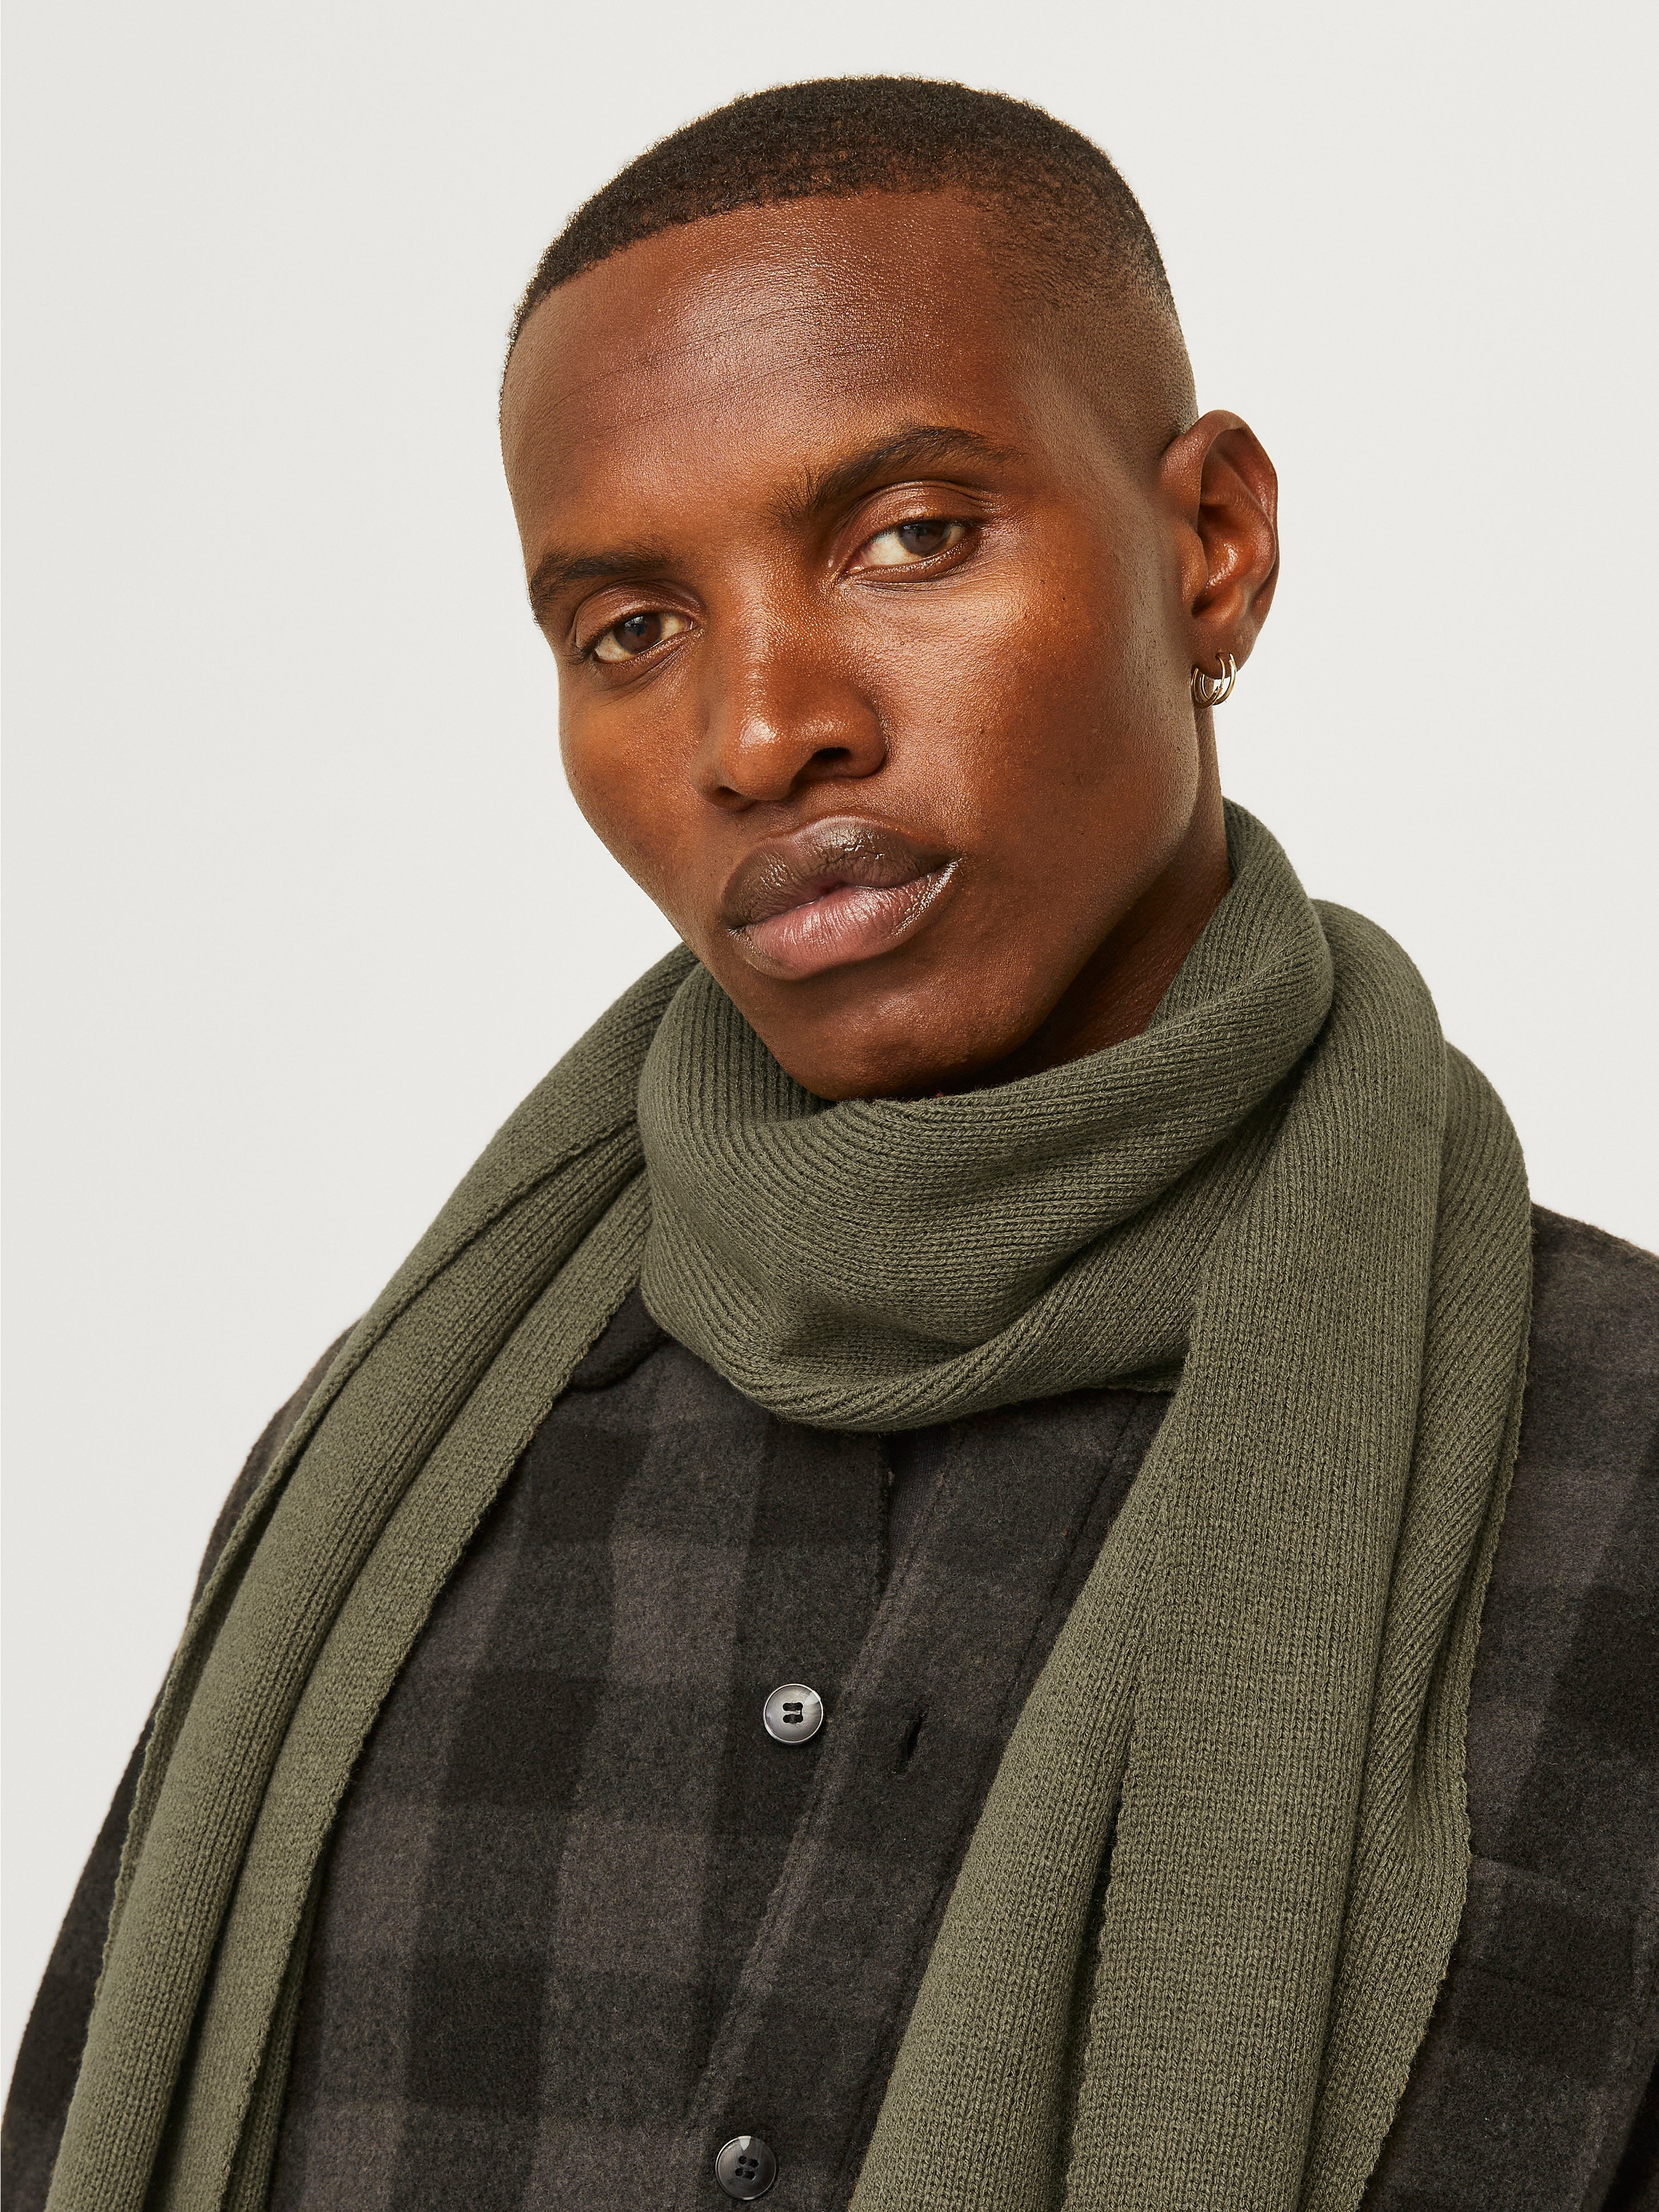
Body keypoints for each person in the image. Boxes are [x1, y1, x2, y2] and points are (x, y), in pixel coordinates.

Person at [6, 76, 1656, 2212]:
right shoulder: (387, 1485)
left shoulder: (1612, 1464)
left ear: (1210, 547)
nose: (761, 729)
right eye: (632, 630)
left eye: (909, 538)